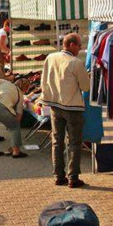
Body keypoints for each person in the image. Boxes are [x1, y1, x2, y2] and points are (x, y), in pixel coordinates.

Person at [40, 33, 90, 188]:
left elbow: (44, 80)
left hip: (55, 105)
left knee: (57, 141)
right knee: (74, 142)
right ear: (72, 45)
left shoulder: (51, 57)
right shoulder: (76, 63)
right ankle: (73, 177)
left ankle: (58, 175)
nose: (80, 49)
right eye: (79, 46)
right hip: (72, 106)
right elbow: (86, 87)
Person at [0, 78, 31, 158]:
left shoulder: (6, 82)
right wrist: (12, 123)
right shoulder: (19, 94)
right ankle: (16, 151)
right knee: (14, 126)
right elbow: (18, 115)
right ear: (26, 88)